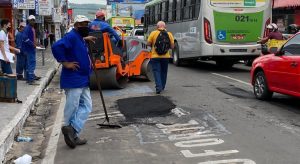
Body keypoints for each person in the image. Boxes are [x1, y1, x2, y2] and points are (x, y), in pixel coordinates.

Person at [51, 15, 94, 149]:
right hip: (73, 79)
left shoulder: (78, 37)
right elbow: (56, 46)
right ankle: (72, 134)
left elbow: (77, 42)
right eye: (82, 24)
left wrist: (84, 38)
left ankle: (72, 129)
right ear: (76, 25)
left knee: (87, 105)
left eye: (87, 24)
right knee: (73, 107)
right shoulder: (71, 36)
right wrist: (65, 63)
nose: (85, 26)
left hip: (83, 78)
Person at [147, 21, 174, 94]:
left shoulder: (153, 33)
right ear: (165, 27)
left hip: (155, 56)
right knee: (164, 72)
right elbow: (172, 47)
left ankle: (158, 87)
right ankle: (162, 86)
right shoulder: (169, 34)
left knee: (156, 71)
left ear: (157, 27)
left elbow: (148, 43)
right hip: (165, 57)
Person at [22, 15, 41, 85]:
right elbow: (24, 38)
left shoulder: (31, 28)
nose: (33, 21)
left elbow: (32, 38)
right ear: (28, 20)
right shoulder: (27, 28)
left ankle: (28, 79)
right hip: (29, 49)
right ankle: (31, 80)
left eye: (34, 20)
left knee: (28, 64)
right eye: (31, 20)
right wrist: (32, 44)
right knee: (32, 64)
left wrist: (37, 43)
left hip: (31, 49)